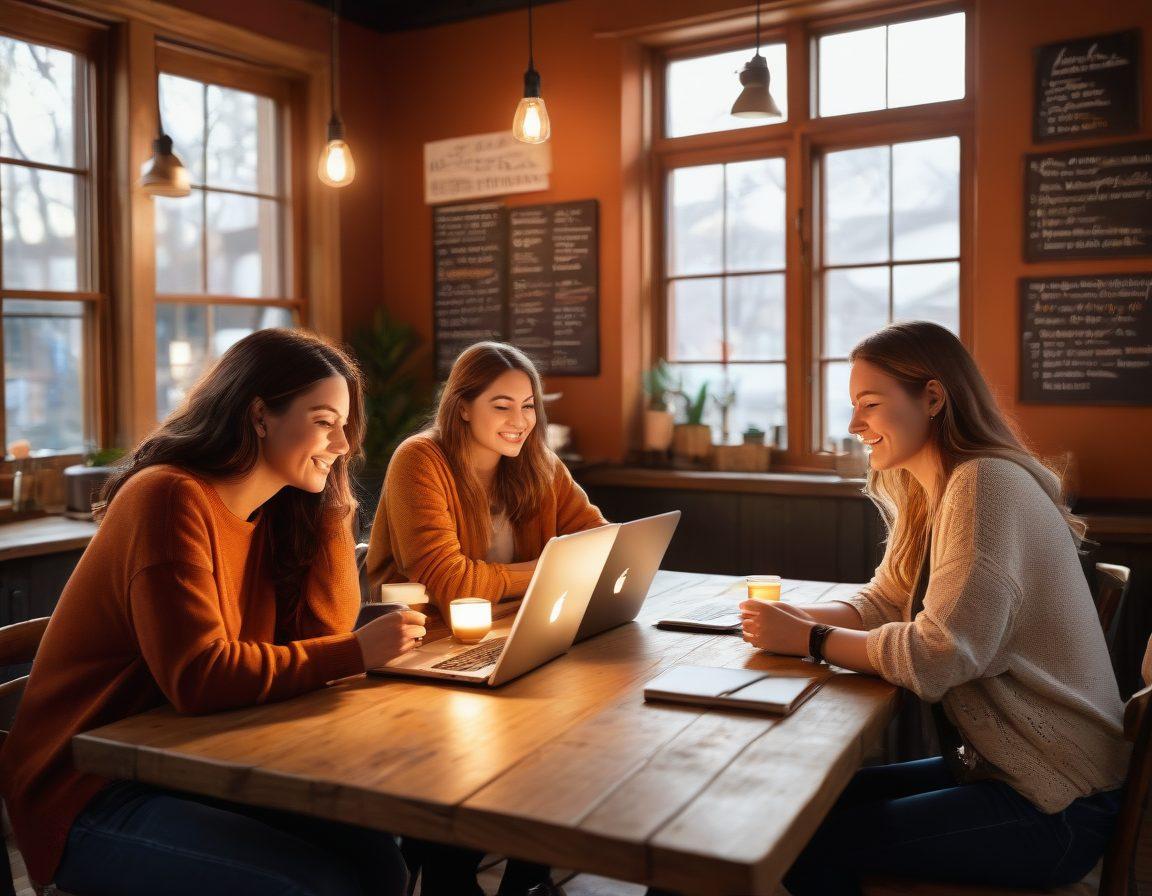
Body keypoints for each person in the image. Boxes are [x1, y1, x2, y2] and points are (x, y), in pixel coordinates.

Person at [0, 329, 425, 896]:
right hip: (91, 789)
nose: (345, 443)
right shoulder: (170, 498)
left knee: (379, 866)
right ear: (259, 416)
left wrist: (329, 498)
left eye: (346, 426)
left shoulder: (277, 511)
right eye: (325, 421)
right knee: (319, 884)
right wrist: (356, 652)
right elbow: (199, 678)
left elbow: (321, 634)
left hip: (191, 760)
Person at [737, 321, 1128, 894]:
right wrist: (800, 616)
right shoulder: (934, 487)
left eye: (870, 404)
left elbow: (940, 653)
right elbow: (889, 600)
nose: (853, 424)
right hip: (1007, 769)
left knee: (805, 843)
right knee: (794, 813)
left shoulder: (984, 484)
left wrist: (811, 641)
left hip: (1058, 803)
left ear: (934, 397)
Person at [366, 340, 607, 896]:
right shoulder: (420, 460)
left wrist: (515, 579)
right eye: (502, 405)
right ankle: (454, 869)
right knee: (532, 730)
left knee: (580, 719)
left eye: (529, 406)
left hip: (505, 640)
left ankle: (528, 875)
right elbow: (451, 588)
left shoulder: (538, 465)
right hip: (426, 652)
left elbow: (599, 542)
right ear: (462, 407)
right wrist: (549, 567)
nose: (520, 421)